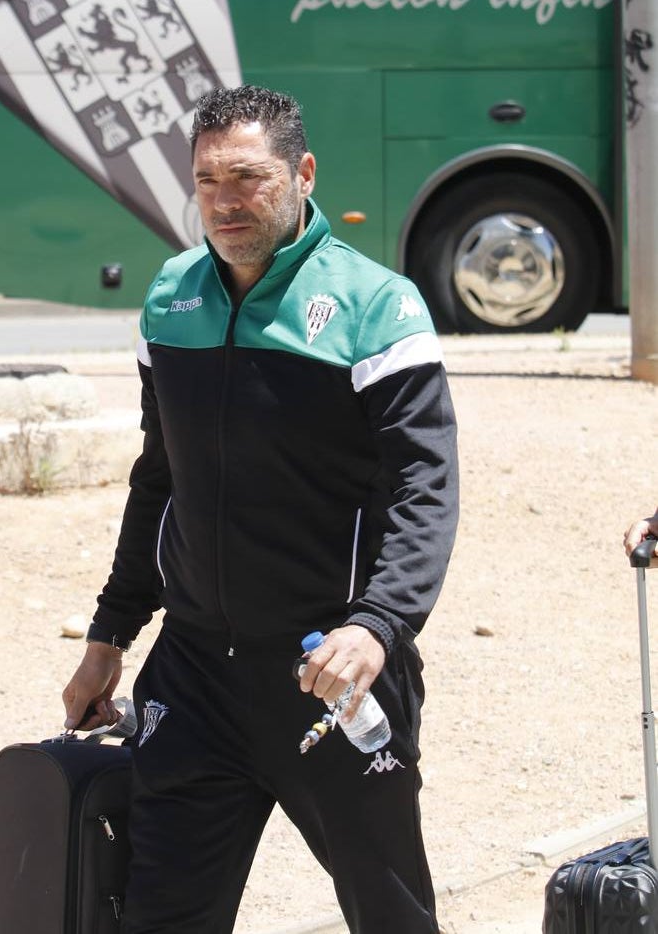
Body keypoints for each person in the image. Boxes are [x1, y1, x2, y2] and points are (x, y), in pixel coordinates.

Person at [62, 84, 460, 934]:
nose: (225, 201)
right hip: (196, 674)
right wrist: (110, 635)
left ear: (302, 172)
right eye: (207, 181)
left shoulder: (377, 308)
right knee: (159, 918)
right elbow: (158, 481)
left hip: (329, 672)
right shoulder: (170, 299)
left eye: (248, 176)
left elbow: (425, 487)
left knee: (391, 915)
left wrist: (379, 625)